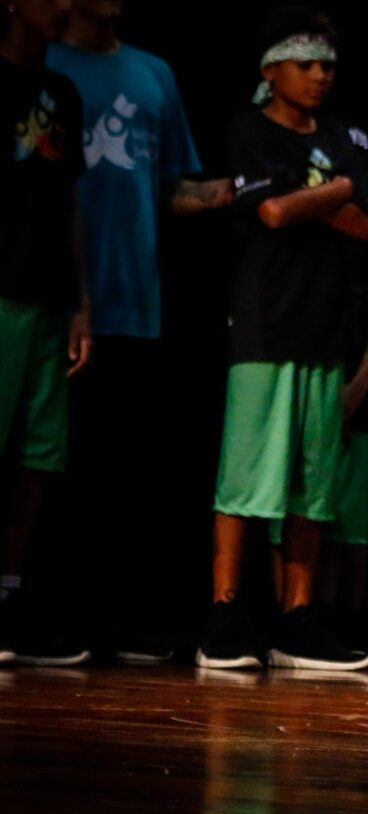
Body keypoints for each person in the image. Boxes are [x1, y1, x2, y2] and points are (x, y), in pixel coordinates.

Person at [47, 0, 235, 663]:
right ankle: (48, 611)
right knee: (53, 468)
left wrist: (227, 192)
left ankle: (119, 619)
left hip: (136, 302)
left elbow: (168, 188)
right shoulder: (48, 66)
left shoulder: (154, 73)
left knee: (125, 469)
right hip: (61, 300)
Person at [198, 5, 368, 671]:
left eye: (327, 66)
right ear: (271, 70)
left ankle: (297, 616)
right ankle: (224, 611)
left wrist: (312, 198)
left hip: (324, 329)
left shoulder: (341, 136)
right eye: (306, 64)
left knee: (312, 482)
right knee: (245, 475)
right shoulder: (251, 131)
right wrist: (337, 189)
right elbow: (270, 211)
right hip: (266, 325)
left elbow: (365, 225)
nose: (320, 76)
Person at [0, 0, 93, 667]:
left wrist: (82, 302)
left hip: (50, 297)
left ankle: (10, 601)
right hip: (2, 291)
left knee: (37, 458)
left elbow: (69, 200)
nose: (64, 5)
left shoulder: (62, 92)